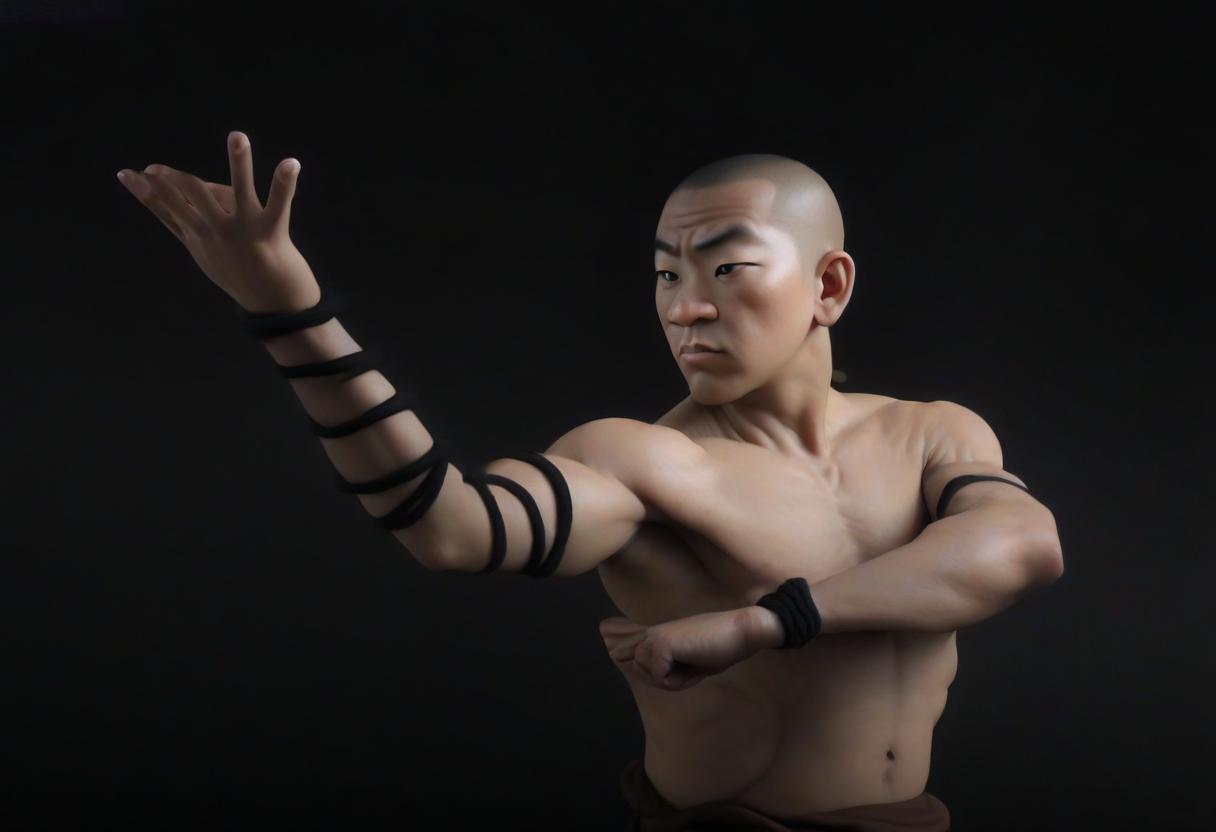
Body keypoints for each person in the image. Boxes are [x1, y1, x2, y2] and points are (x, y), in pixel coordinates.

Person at [117, 137, 1064, 831]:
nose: (686, 308)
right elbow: (449, 525)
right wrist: (294, 314)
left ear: (829, 287)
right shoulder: (645, 462)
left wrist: (759, 623)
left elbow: (1022, 547)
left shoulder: (933, 434)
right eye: (663, 276)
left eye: (728, 267)